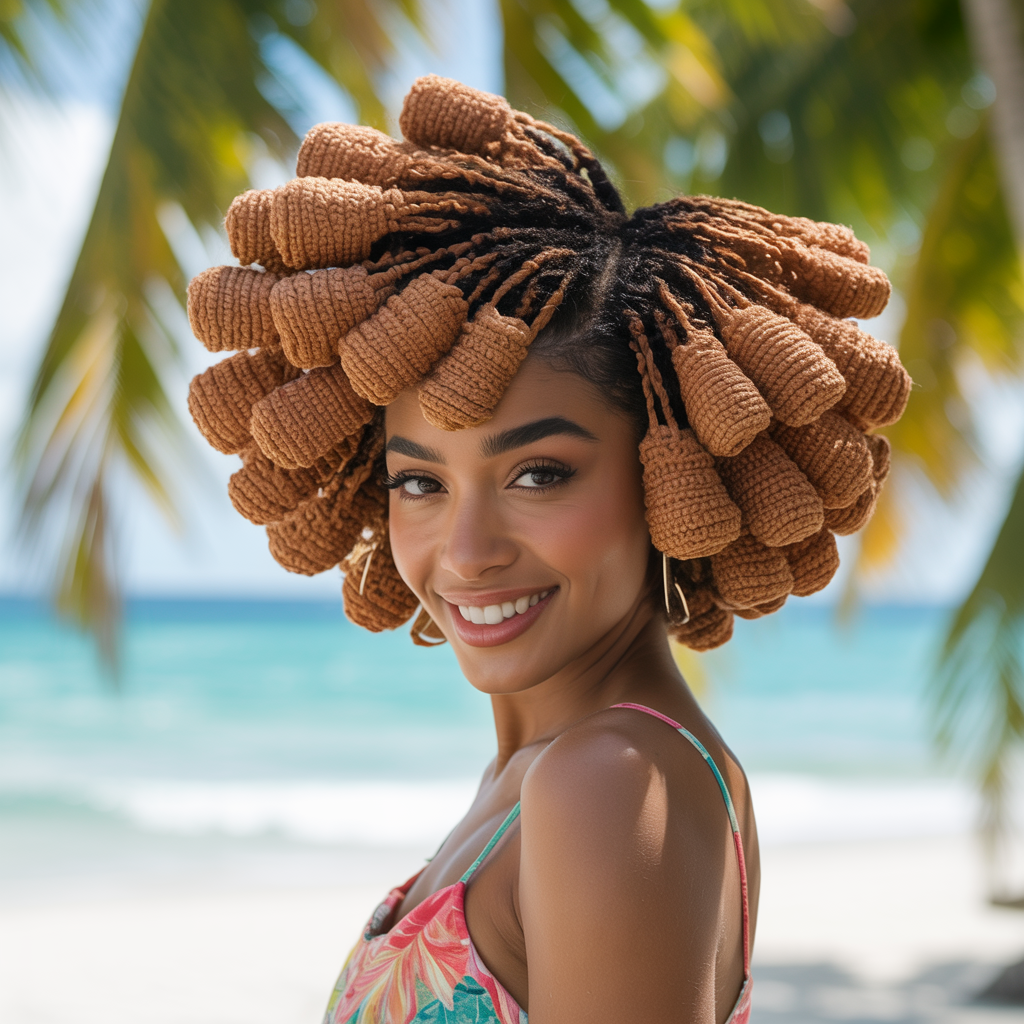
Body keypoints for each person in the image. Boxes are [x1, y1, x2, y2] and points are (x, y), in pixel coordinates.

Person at [185, 76, 910, 1024]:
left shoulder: (605, 783)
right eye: (420, 482)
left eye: (539, 474)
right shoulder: (549, 776)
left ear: (667, 473)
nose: (469, 549)